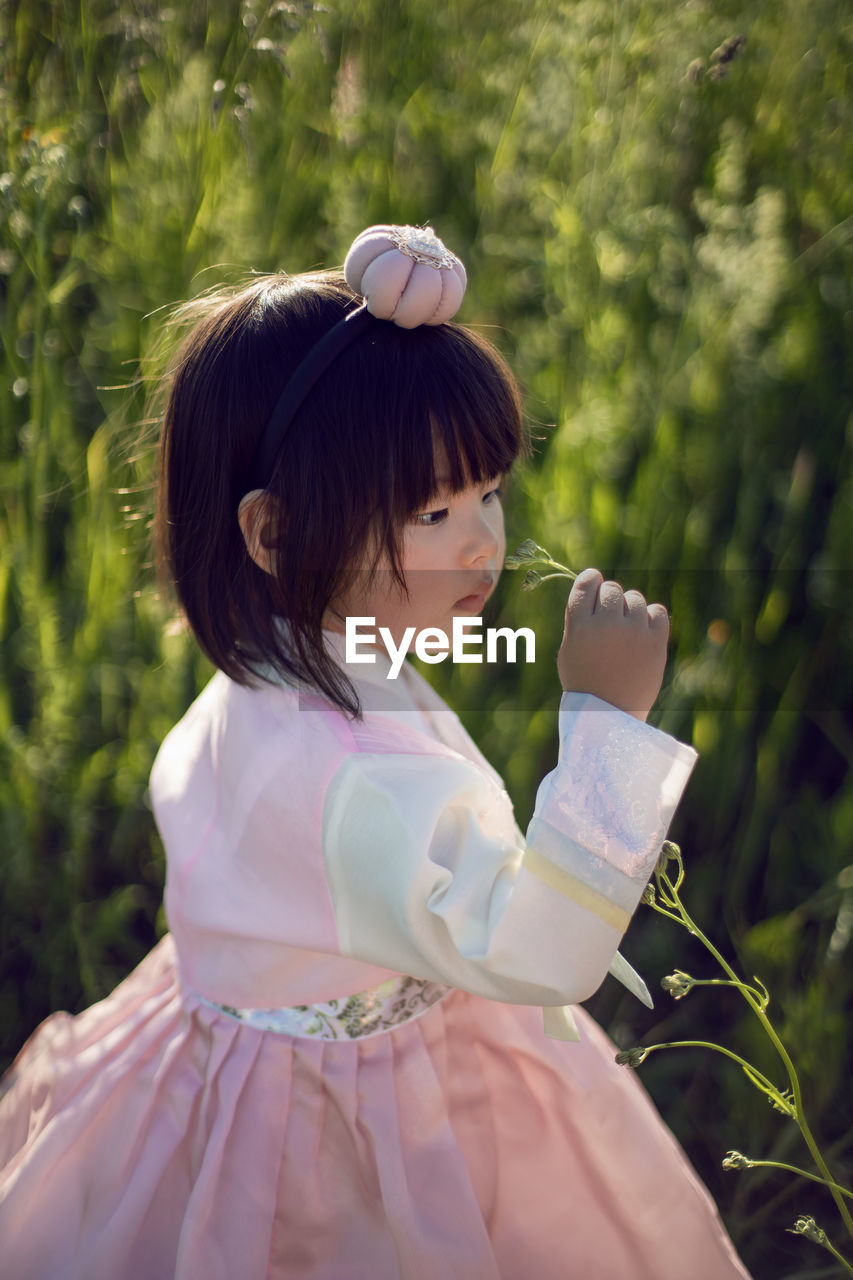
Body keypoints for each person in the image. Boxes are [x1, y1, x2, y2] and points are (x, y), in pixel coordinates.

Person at [0, 225, 751, 1279]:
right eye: (431, 511)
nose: (483, 539)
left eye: (486, 491)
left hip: (232, 1037)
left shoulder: (276, 662)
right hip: (342, 1118)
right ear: (272, 534)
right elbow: (540, 956)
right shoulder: (361, 785)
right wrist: (606, 728)